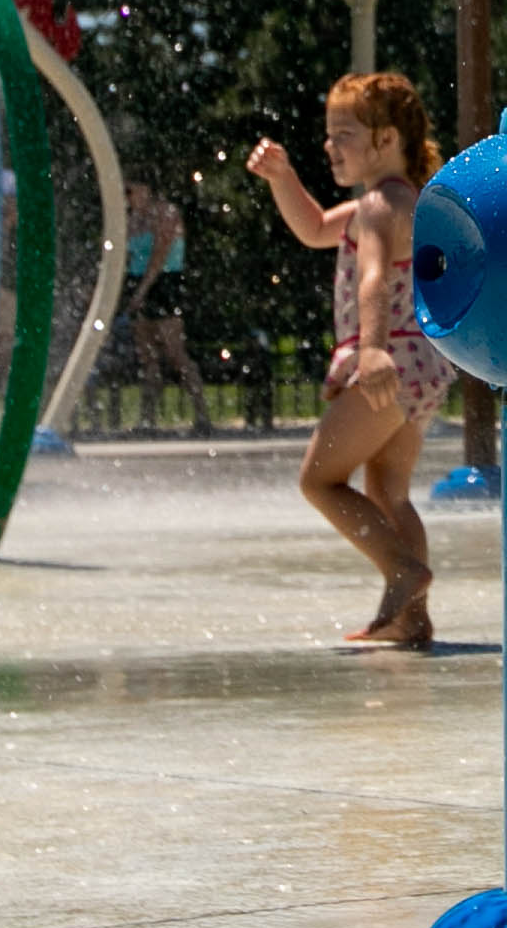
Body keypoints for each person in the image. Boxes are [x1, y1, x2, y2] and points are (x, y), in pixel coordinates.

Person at [248, 71, 454, 646]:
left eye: (343, 135)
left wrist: (371, 350)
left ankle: (402, 571)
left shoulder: (376, 209)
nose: (329, 145)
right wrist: (284, 178)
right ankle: (412, 619)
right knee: (390, 493)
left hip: (388, 364)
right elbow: (314, 228)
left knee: (319, 480)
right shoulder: (405, 202)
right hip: (423, 368)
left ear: (386, 139)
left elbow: (372, 280)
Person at [120, 176, 213, 435]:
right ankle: (148, 419)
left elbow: (159, 254)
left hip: (164, 282)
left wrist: (143, 290)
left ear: (146, 189)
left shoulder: (166, 213)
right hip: (138, 280)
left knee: (175, 352)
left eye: (130, 191)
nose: (127, 197)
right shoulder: (132, 219)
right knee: (147, 357)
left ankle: (202, 414)